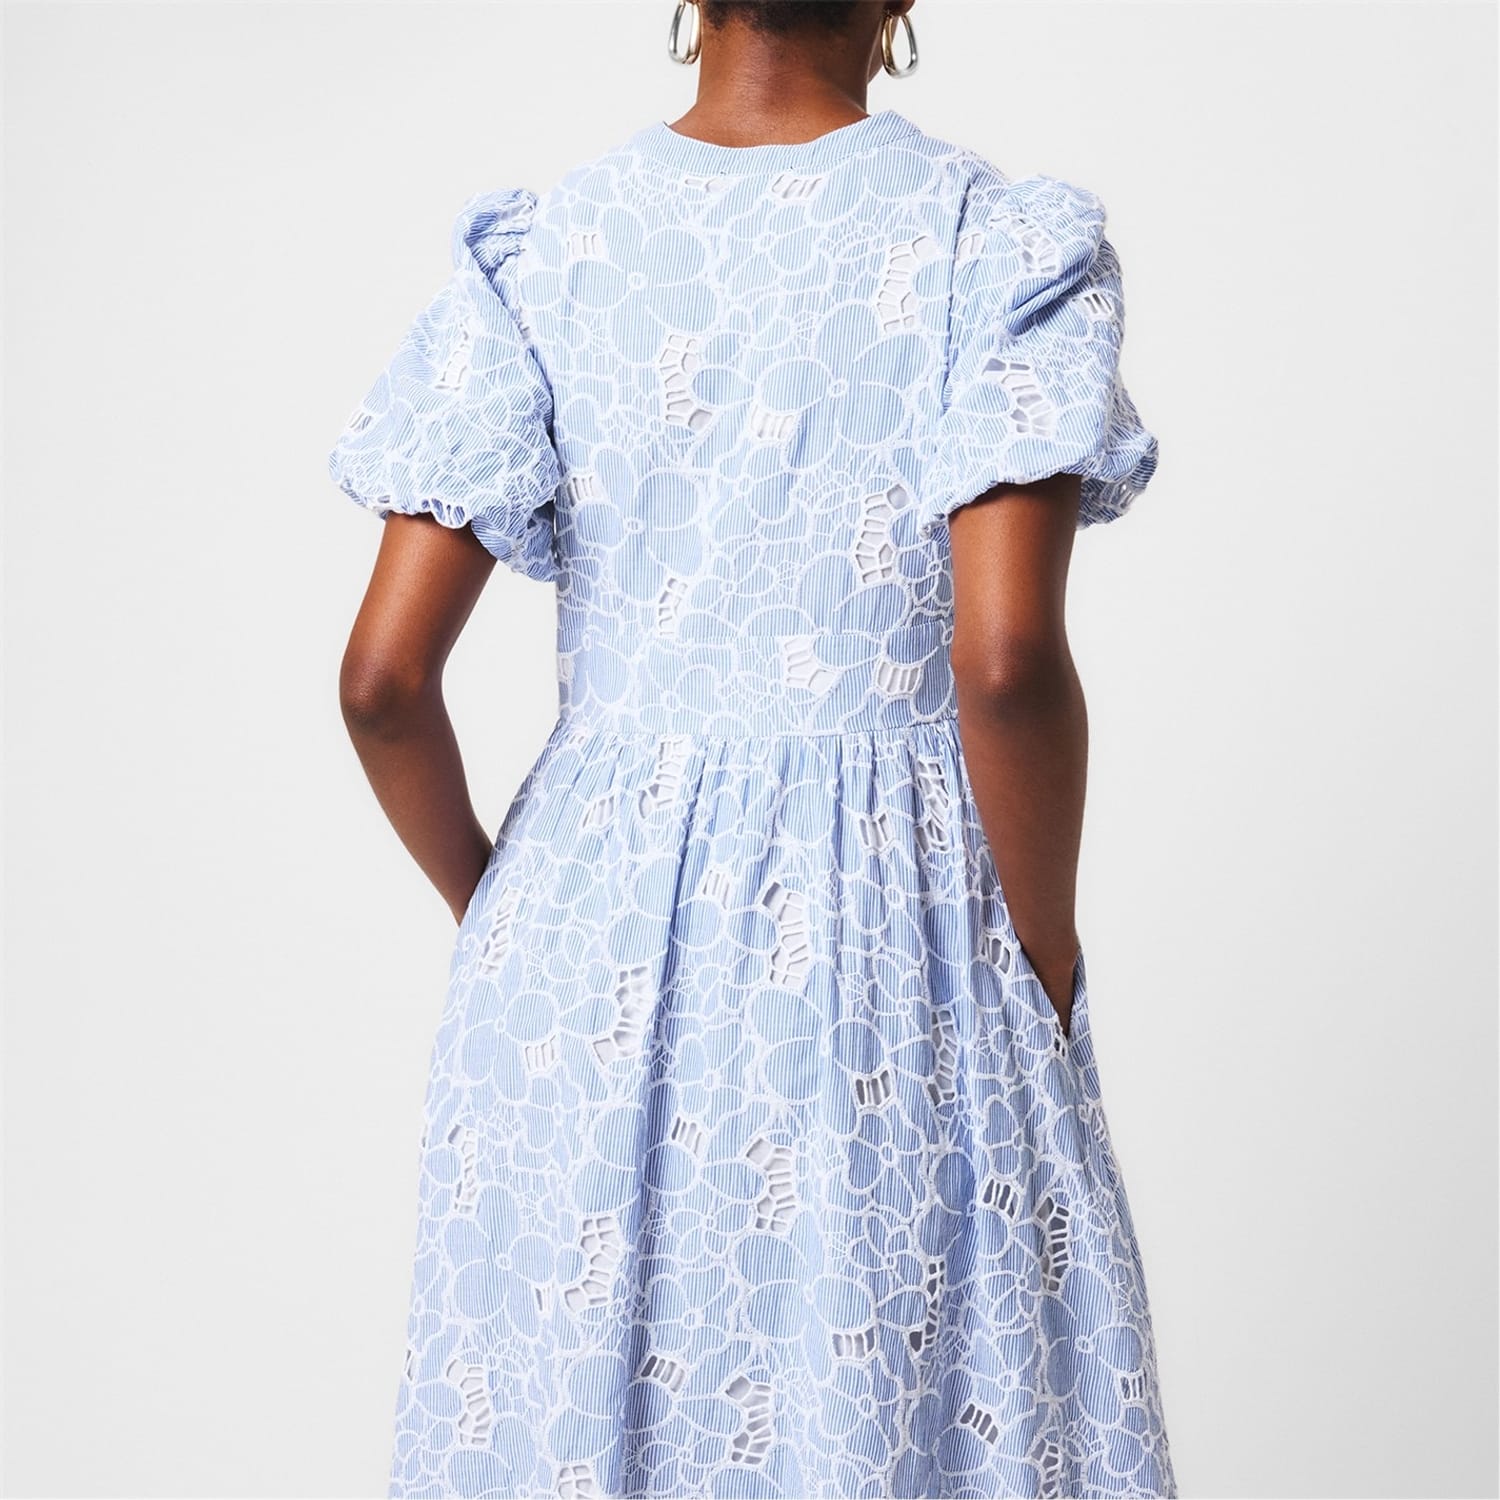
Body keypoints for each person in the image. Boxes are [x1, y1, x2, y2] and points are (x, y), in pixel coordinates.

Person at [327, 1, 1176, 1495]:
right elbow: (1004, 662)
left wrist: (505, 910)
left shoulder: (546, 253)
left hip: (580, 948)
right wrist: (1036, 956)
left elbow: (384, 683)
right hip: (900, 932)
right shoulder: (996, 247)